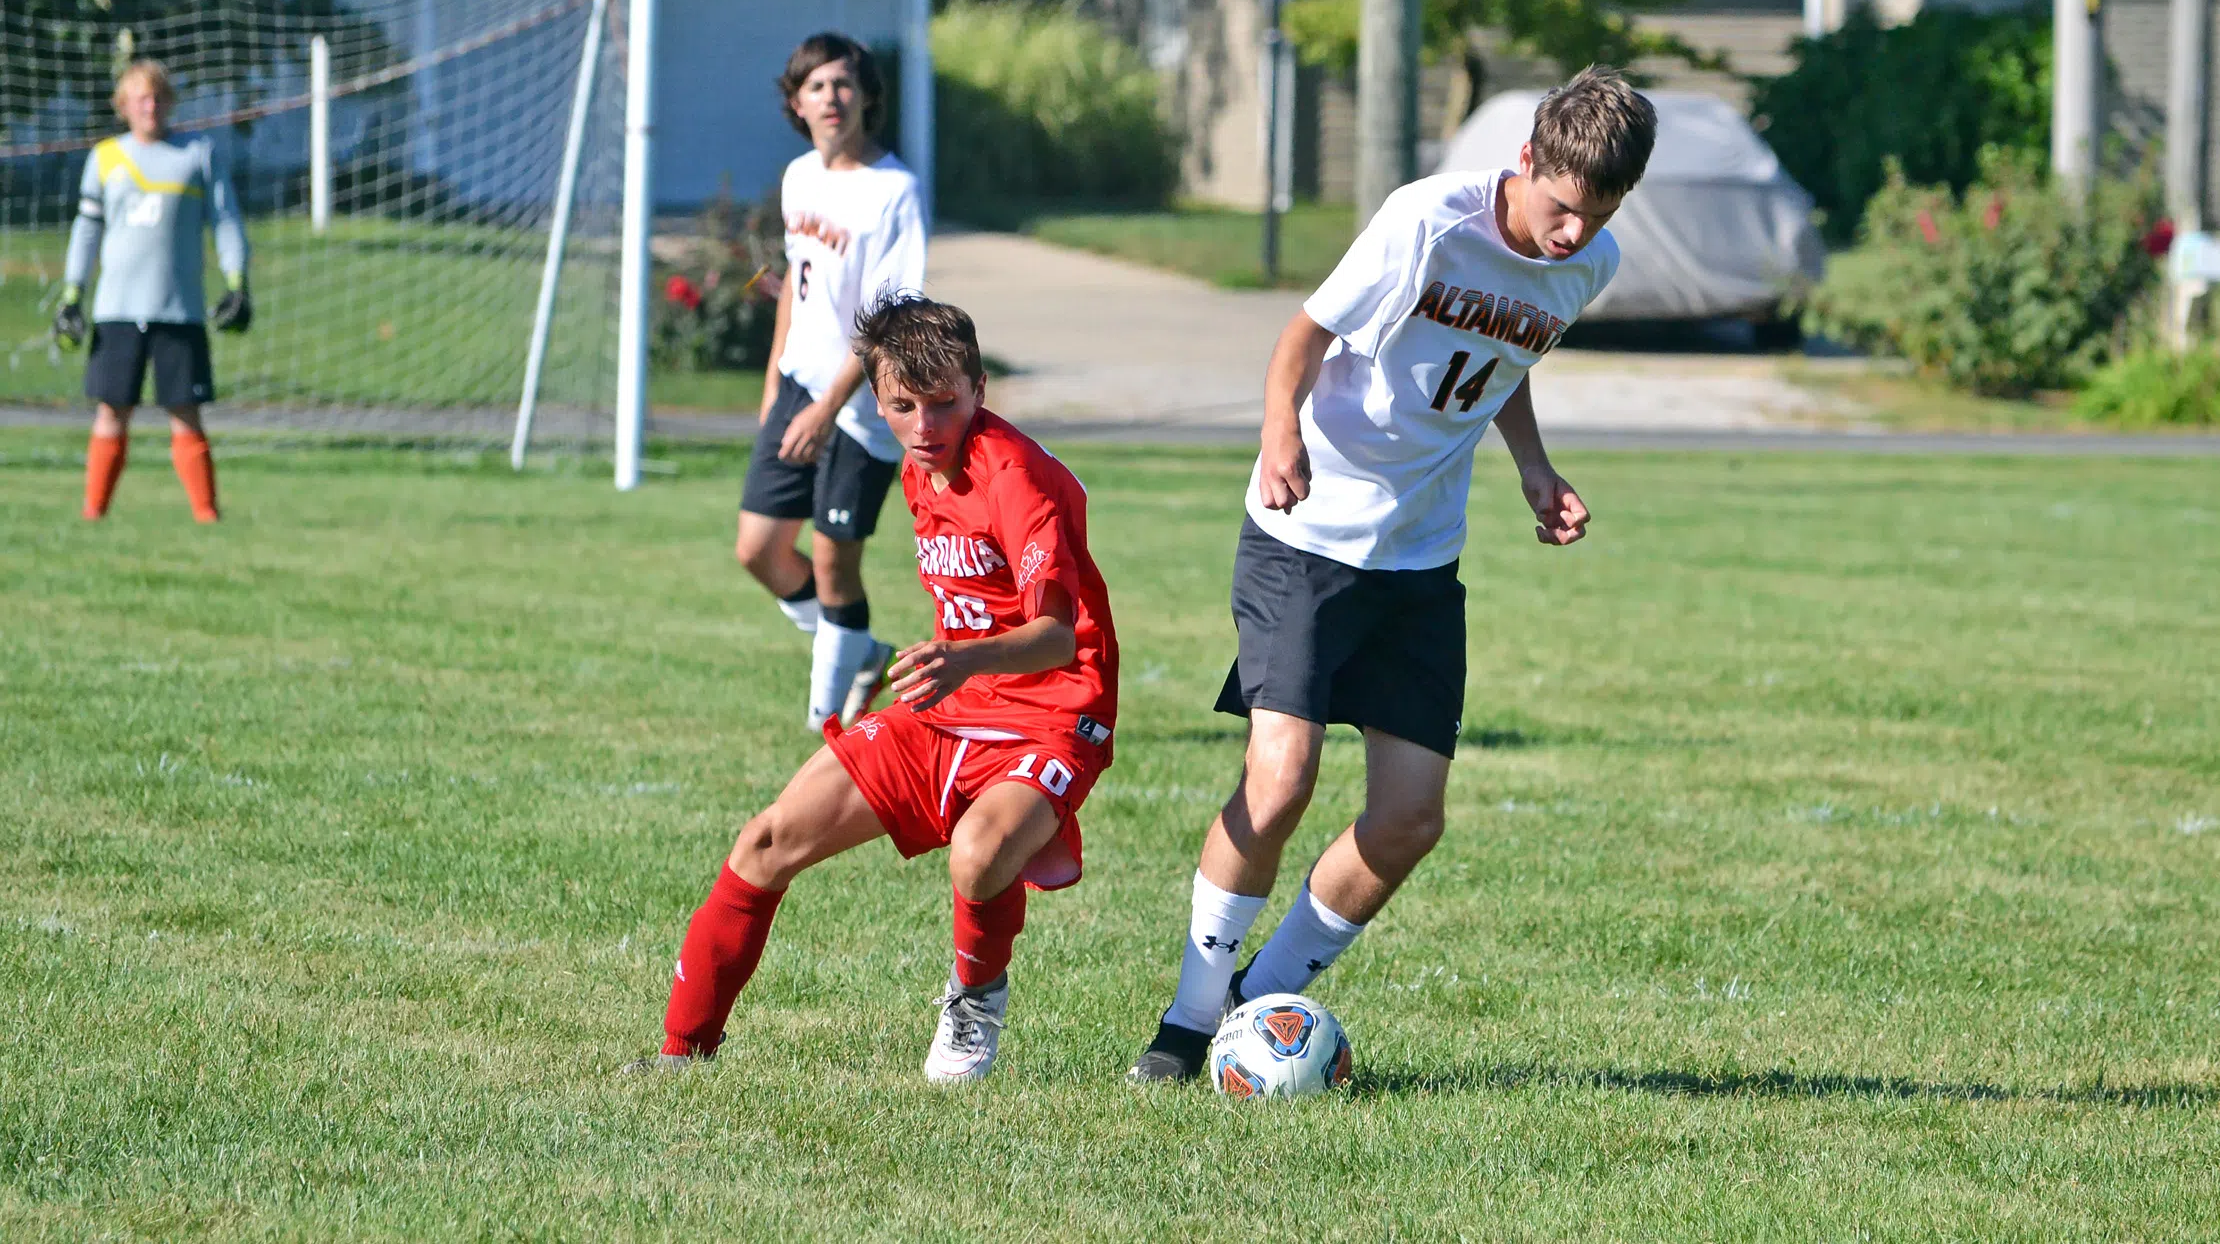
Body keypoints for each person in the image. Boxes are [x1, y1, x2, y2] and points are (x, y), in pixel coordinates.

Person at [1124, 66, 1657, 1082]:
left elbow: (1505, 357)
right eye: (1558, 209)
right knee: (1280, 780)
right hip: (1308, 531)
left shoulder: (1592, 263)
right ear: (1527, 163)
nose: (1571, 237)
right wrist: (1281, 434)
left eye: (1597, 217)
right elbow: (1304, 335)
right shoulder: (1427, 223)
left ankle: (1259, 1000)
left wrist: (1534, 470)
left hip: (1420, 557)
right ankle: (1188, 1023)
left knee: (1411, 819)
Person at [629, 293, 1118, 1084]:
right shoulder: (918, 464)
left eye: (945, 404)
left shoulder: (1017, 476)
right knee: (765, 841)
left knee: (979, 853)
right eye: (903, 406)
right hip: (952, 703)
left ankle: (975, 1002)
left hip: (1055, 714)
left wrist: (962, 659)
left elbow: (1058, 636)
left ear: (980, 389)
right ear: (879, 400)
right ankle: (680, 1058)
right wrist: (953, 673)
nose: (926, 426)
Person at [738, 34, 926, 729]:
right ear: (796, 102)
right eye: (815, 86)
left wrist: (826, 407)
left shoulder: (894, 192)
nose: (831, 98)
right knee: (758, 549)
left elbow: (889, 320)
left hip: (856, 409)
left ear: (866, 96)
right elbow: (794, 288)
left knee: (832, 565)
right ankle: (858, 653)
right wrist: (775, 386)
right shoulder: (798, 178)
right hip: (797, 389)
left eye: (844, 84)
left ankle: (826, 722)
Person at [54, 59, 251, 523]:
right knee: (111, 412)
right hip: (117, 311)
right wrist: (72, 294)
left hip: (178, 311)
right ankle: (93, 514)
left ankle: (207, 516)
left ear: (171, 103)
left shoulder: (198, 153)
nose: (152, 105)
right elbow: (87, 232)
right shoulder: (104, 157)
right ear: (123, 105)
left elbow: (226, 222)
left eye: (160, 96)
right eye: (141, 97)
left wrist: (237, 282)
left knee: (186, 413)